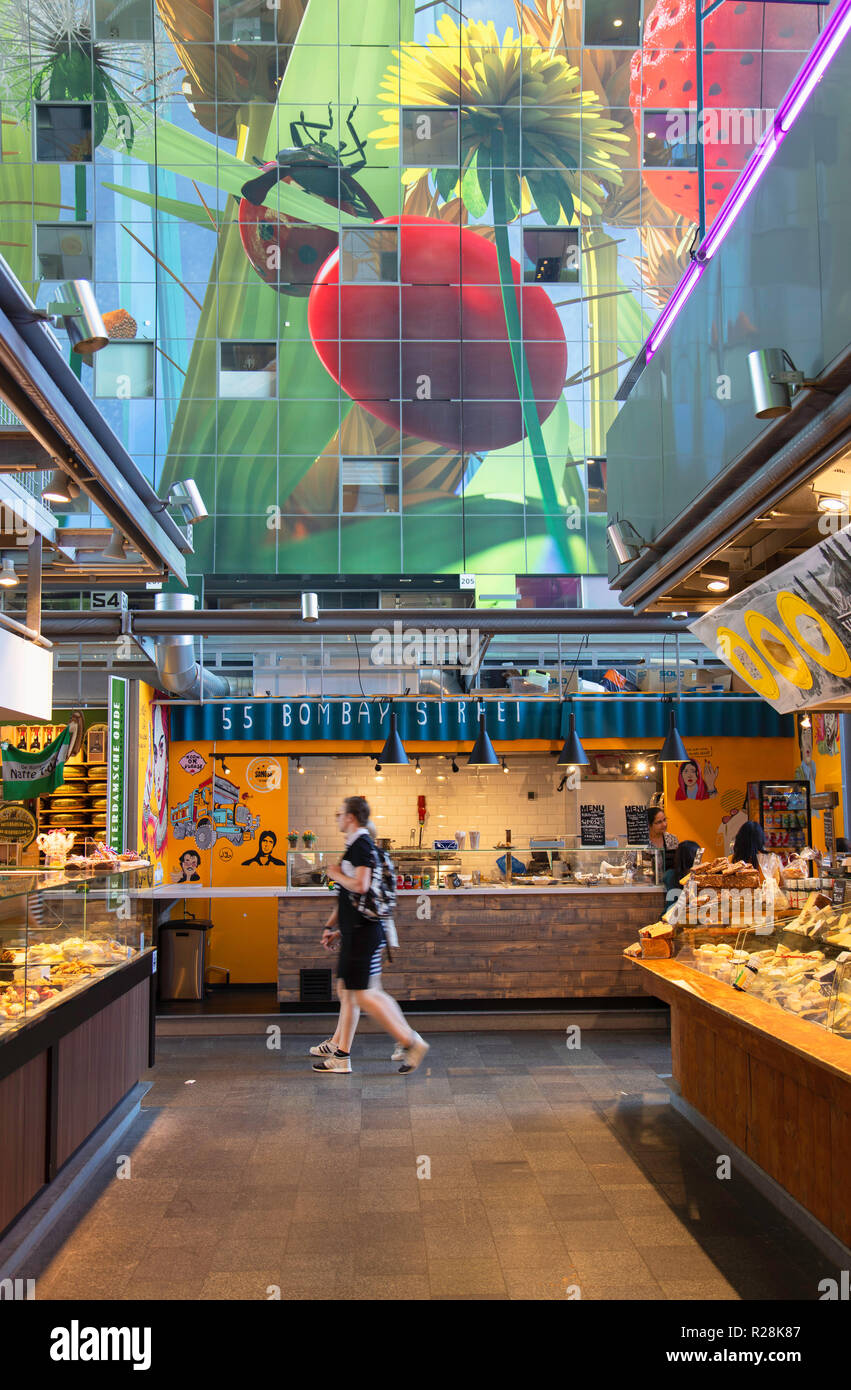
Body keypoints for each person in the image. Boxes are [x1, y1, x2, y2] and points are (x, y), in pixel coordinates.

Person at [311, 796, 428, 1076]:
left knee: (363, 994)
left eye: (340, 814)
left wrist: (336, 873)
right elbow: (352, 897)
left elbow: (361, 886)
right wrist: (335, 928)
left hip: (364, 934)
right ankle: (342, 1053)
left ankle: (410, 1042)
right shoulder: (357, 846)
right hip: (360, 932)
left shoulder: (361, 846)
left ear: (351, 817)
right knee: (356, 992)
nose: (337, 817)